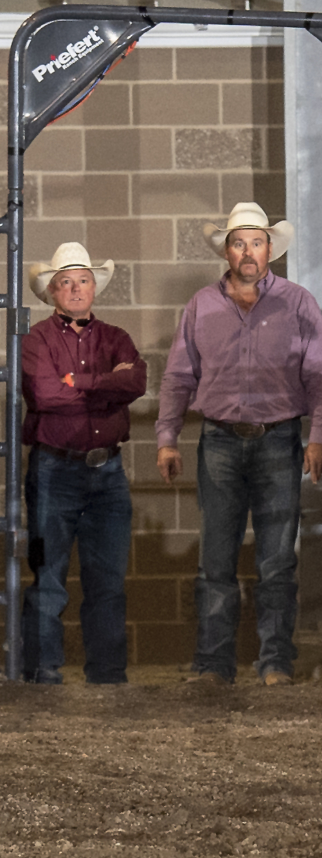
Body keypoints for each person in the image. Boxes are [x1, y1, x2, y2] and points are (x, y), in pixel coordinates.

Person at [156, 202, 322, 686]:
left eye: (257, 242)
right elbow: (178, 376)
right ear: (228, 251)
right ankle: (214, 663)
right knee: (216, 557)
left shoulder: (298, 303)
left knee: (277, 559)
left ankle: (275, 660)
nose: (249, 252)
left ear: (270, 249)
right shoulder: (201, 305)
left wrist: (319, 436)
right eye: (240, 243)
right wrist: (166, 438)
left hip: (280, 439)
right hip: (218, 439)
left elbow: (320, 376)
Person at [19, 243, 147, 685]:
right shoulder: (36, 340)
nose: (76, 289)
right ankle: (41, 673)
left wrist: (85, 382)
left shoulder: (115, 336)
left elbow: (137, 381)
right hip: (55, 470)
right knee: (48, 578)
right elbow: (43, 395)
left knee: (108, 582)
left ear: (94, 288)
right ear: (53, 292)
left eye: (84, 280)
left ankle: (108, 678)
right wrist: (107, 387)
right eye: (66, 282)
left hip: (107, 472)